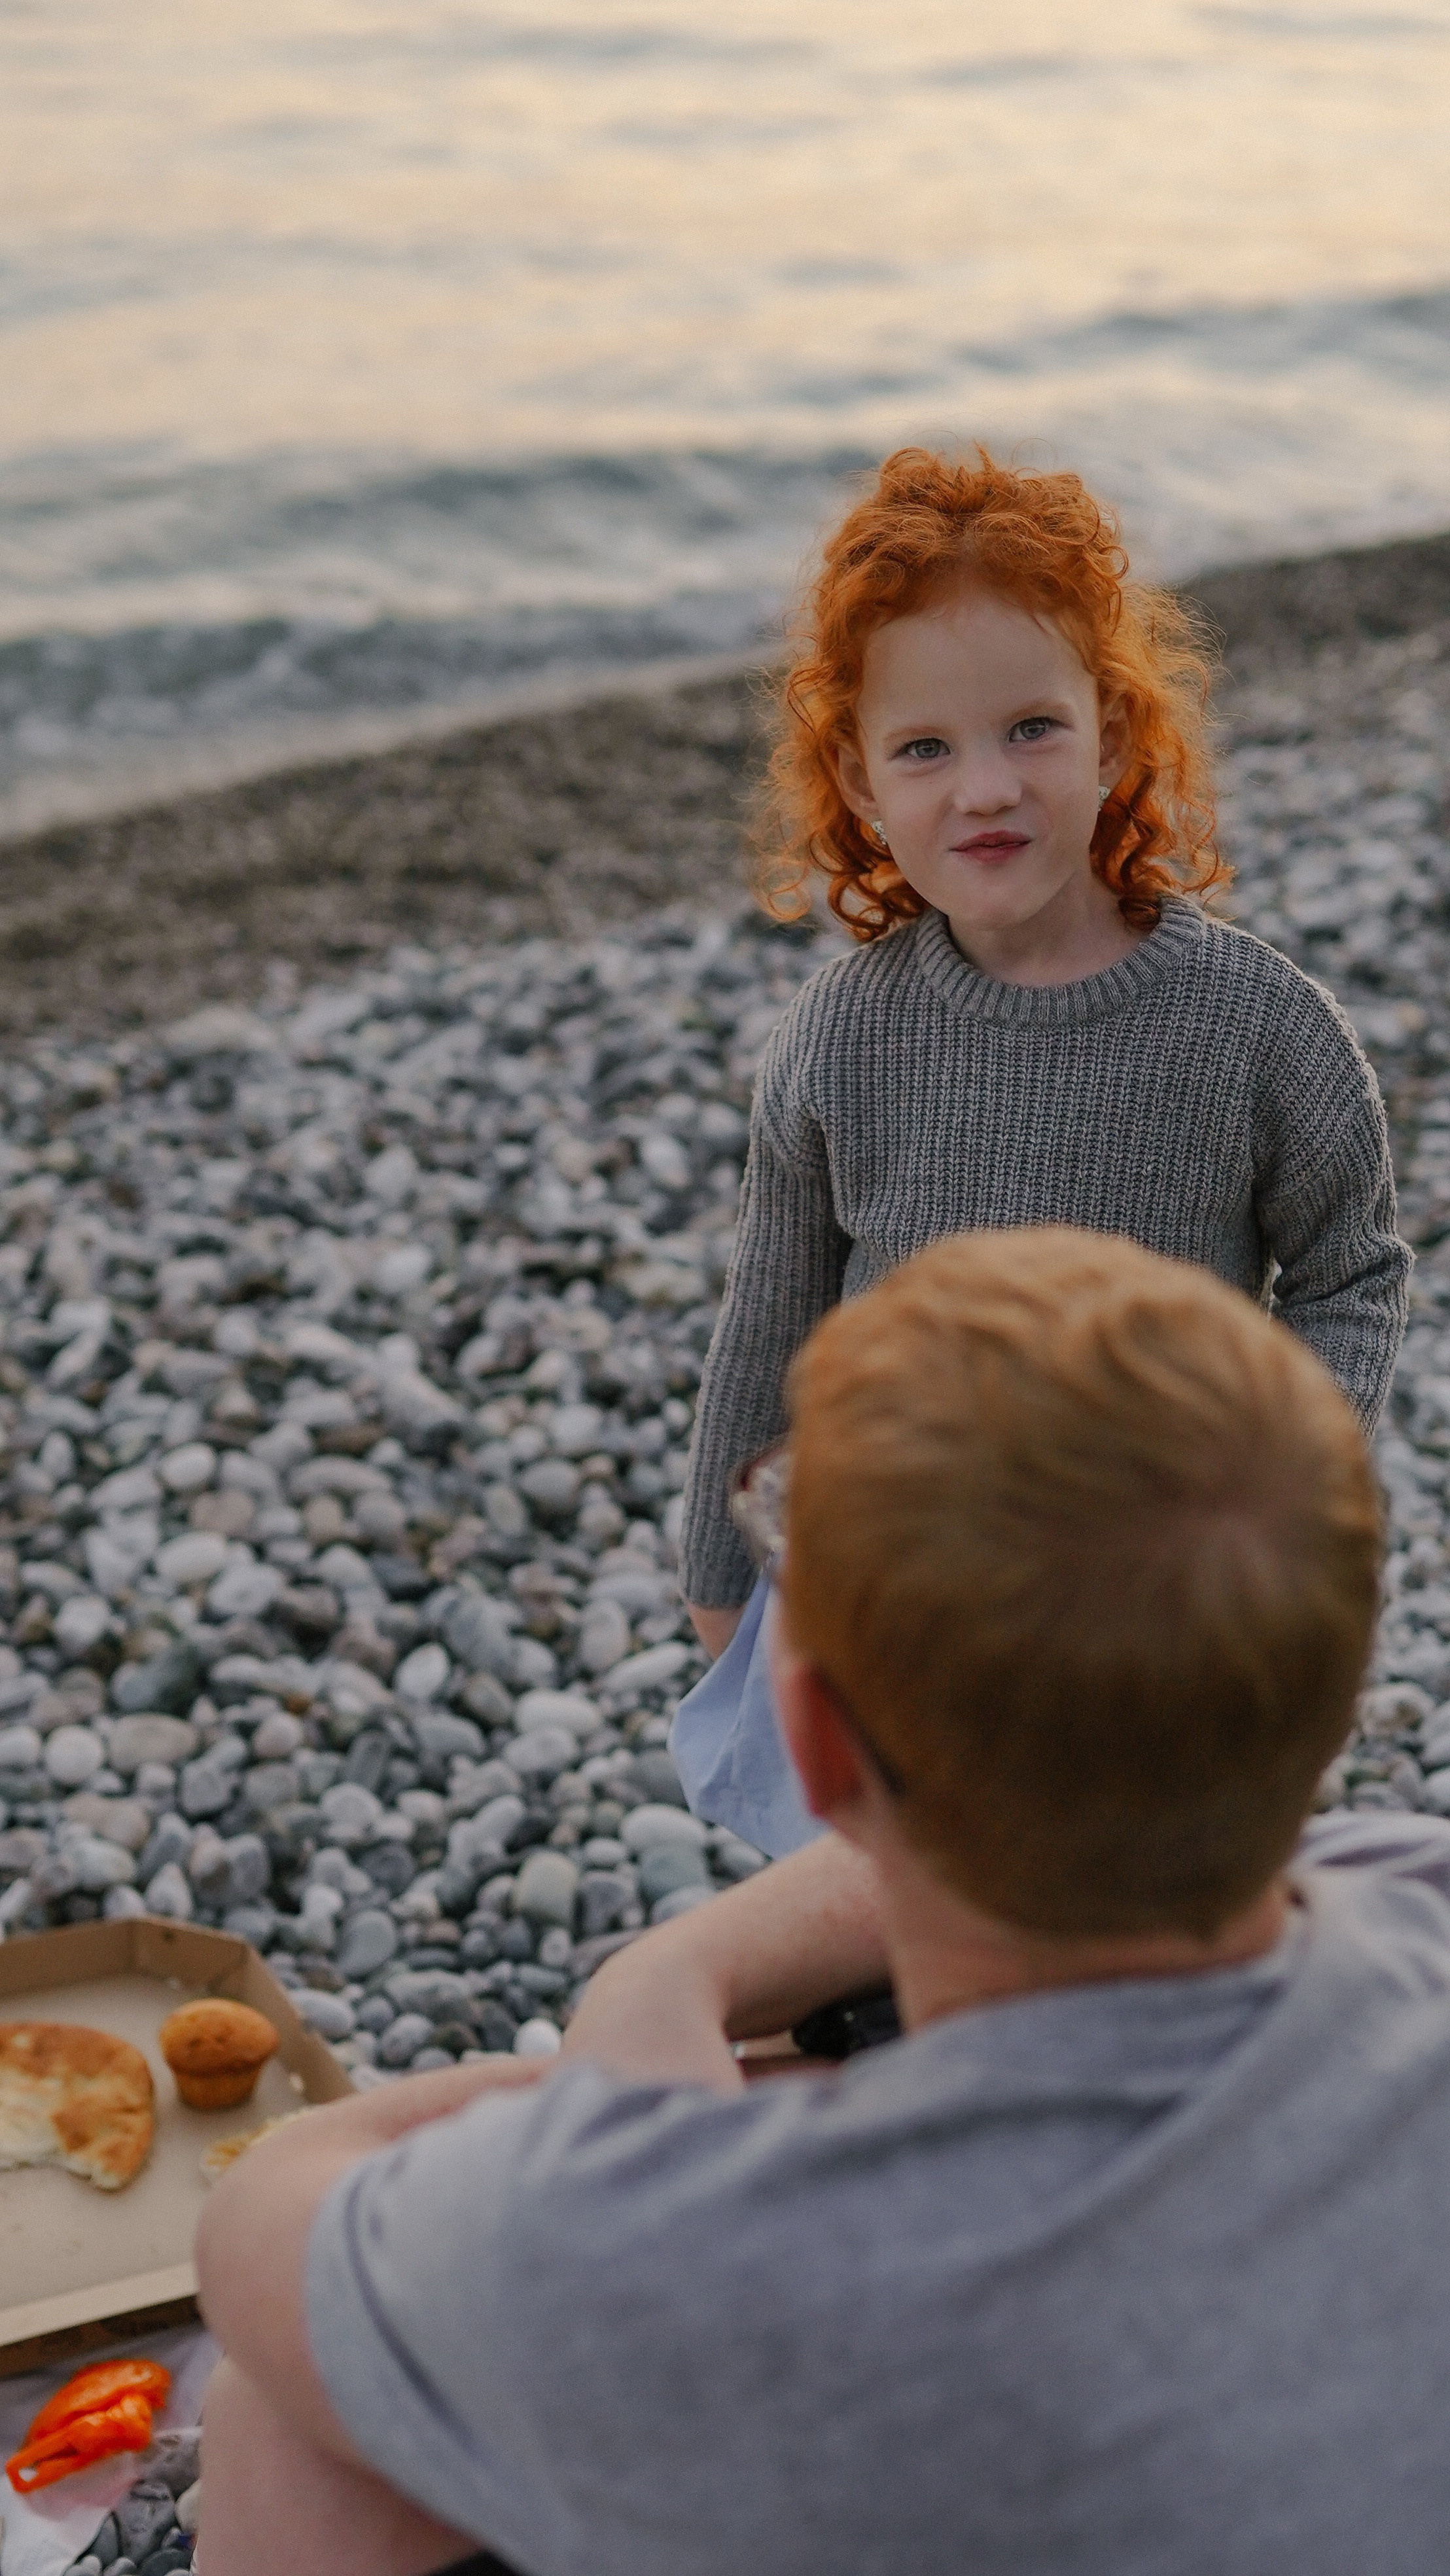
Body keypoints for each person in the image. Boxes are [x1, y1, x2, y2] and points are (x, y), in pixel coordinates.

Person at [195, 1228, 1450, 2576]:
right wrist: (672, 1975)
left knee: (284, 2427)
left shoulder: (675, 2261)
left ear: (814, 1741)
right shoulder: (1414, 1901)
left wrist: (614, 2129)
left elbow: (261, 2226)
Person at [671, 444, 1409, 1858]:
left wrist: (1274, 1502)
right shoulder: (844, 1034)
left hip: (1153, 1575)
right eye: (925, 750)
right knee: (914, 1916)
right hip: (906, 1574)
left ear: (1118, 734)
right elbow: (765, 1322)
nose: (984, 789)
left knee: (1141, 1891)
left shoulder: (1257, 1027)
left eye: (1031, 729)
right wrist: (724, 1587)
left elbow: (1349, 1273)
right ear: (859, 778)